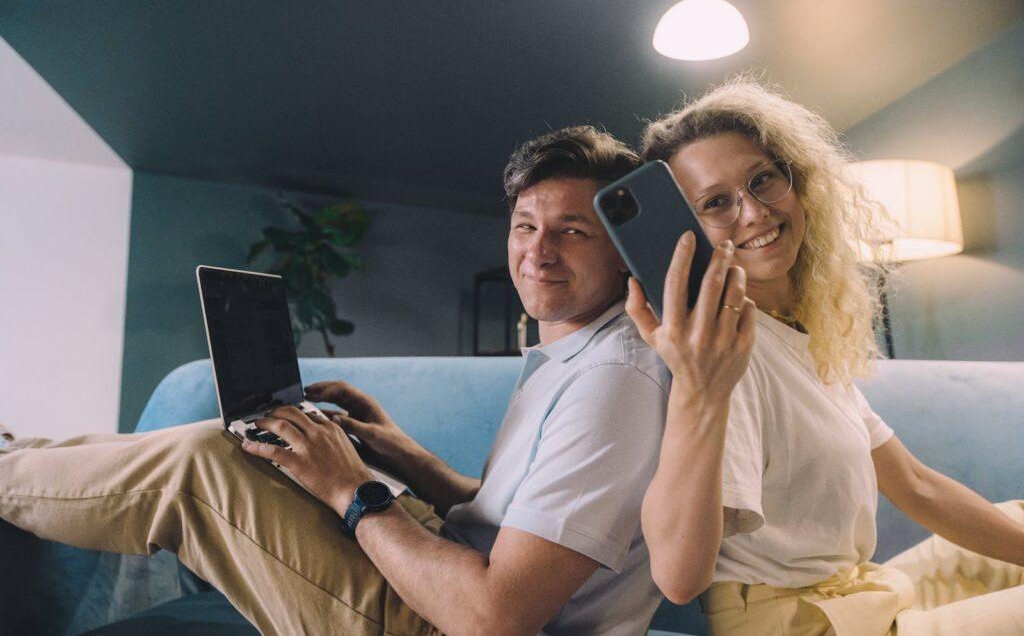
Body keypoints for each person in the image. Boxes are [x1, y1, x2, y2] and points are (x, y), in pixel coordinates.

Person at [0, 126, 682, 635]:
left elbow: (494, 614)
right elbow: (525, 528)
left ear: (622, 253)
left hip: (446, 620)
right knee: (246, 444)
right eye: (525, 225)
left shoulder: (613, 383)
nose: (537, 251)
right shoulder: (583, 355)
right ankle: (17, 455)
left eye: (571, 232)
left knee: (199, 466)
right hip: (445, 576)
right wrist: (392, 451)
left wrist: (349, 488)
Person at [626, 77, 1024, 635]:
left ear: (798, 182)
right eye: (716, 203)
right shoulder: (724, 357)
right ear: (686, 233)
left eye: (762, 180)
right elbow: (678, 574)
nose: (754, 212)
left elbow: (913, 482)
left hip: (853, 598)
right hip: (794, 625)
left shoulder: (793, 338)